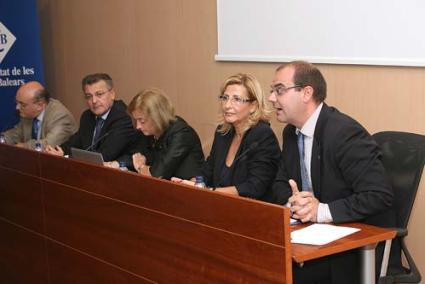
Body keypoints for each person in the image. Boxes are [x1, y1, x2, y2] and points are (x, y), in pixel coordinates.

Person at [268, 61, 394, 284]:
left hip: (353, 248)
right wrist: (296, 202)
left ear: (307, 92)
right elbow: (279, 183)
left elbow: (378, 195)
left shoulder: (344, 133)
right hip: (310, 239)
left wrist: (320, 211)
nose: (271, 98)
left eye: (279, 90)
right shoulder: (291, 132)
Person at [174, 73, 280, 201]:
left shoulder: (262, 135)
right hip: (221, 206)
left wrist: (210, 191)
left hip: (253, 212)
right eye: (225, 98)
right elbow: (207, 171)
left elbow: (254, 187)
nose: (227, 105)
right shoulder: (222, 133)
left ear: (253, 106)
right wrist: (190, 184)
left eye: (236, 99)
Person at [104, 87, 204, 180]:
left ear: (157, 117)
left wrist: (141, 167)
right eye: (136, 120)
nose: (138, 126)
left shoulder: (182, 133)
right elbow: (136, 155)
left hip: (188, 191)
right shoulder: (149, 132)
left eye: (142, 121)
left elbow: (157, 174)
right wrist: (116, 163)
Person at [45, 73, 137, 162]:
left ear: (112, 94)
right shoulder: (87, 116)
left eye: (99, 94)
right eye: (89, 96)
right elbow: (74, 142)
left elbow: (104, 156)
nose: (94, 101)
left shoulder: (123, 117)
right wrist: (58, 150)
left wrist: (67, 156)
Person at [2, 81, 77, 149]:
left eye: (23, 104)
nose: (17, 107)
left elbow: (48, 145)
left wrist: (24, 146)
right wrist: (3, 139)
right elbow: (16, 133)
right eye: (17, 102)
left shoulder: (60, 116)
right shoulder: (28, 114)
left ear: (39, 105)